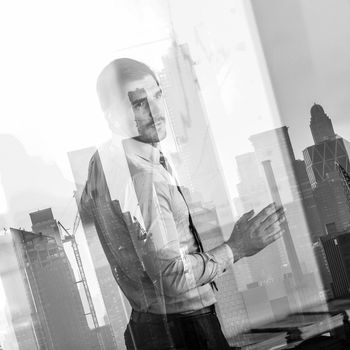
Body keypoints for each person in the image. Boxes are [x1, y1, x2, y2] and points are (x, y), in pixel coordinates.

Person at [81, 58, 285, 350]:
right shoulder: (144, 179)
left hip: (147, 325)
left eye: (157, 95)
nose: (155, 112)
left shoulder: (102, 162)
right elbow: (171, 278)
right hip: (186, 331)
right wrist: (237, 247)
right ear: (113, 118)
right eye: (139, 104)